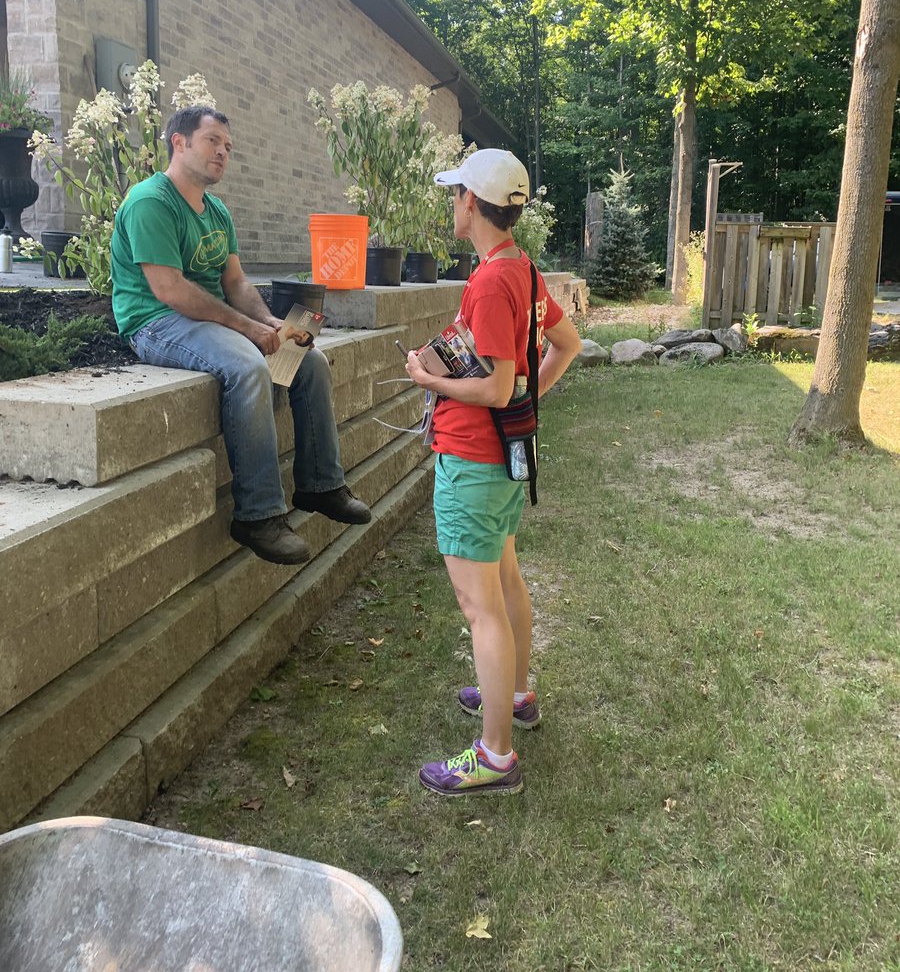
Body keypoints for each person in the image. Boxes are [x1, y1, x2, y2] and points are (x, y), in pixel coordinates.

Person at [110, 105, 370, 566]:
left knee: (306, 358)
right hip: (156, 323)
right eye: (213, 141)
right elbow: (170, 290)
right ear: (180, 142)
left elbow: (236, 284)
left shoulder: (216, 211)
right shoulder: (151, 201)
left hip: (209, 320)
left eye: (228, 147)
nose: (223, 153)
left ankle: (320, 485)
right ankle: (258, 515)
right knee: (248, 367)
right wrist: (248, 330)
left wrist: (269, 322)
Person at [405, 149, 581, 795]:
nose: (451, 204)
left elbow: (500, 387)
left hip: (475, 462)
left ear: (471, 203)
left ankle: (495, 755)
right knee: (505, 585)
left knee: (480, 609)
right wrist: (527, 397)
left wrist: (427, 377)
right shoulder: (522, 271)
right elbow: (568, 345)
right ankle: (517, 696)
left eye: (455, 194)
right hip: (504, 461)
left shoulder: (489, 282)